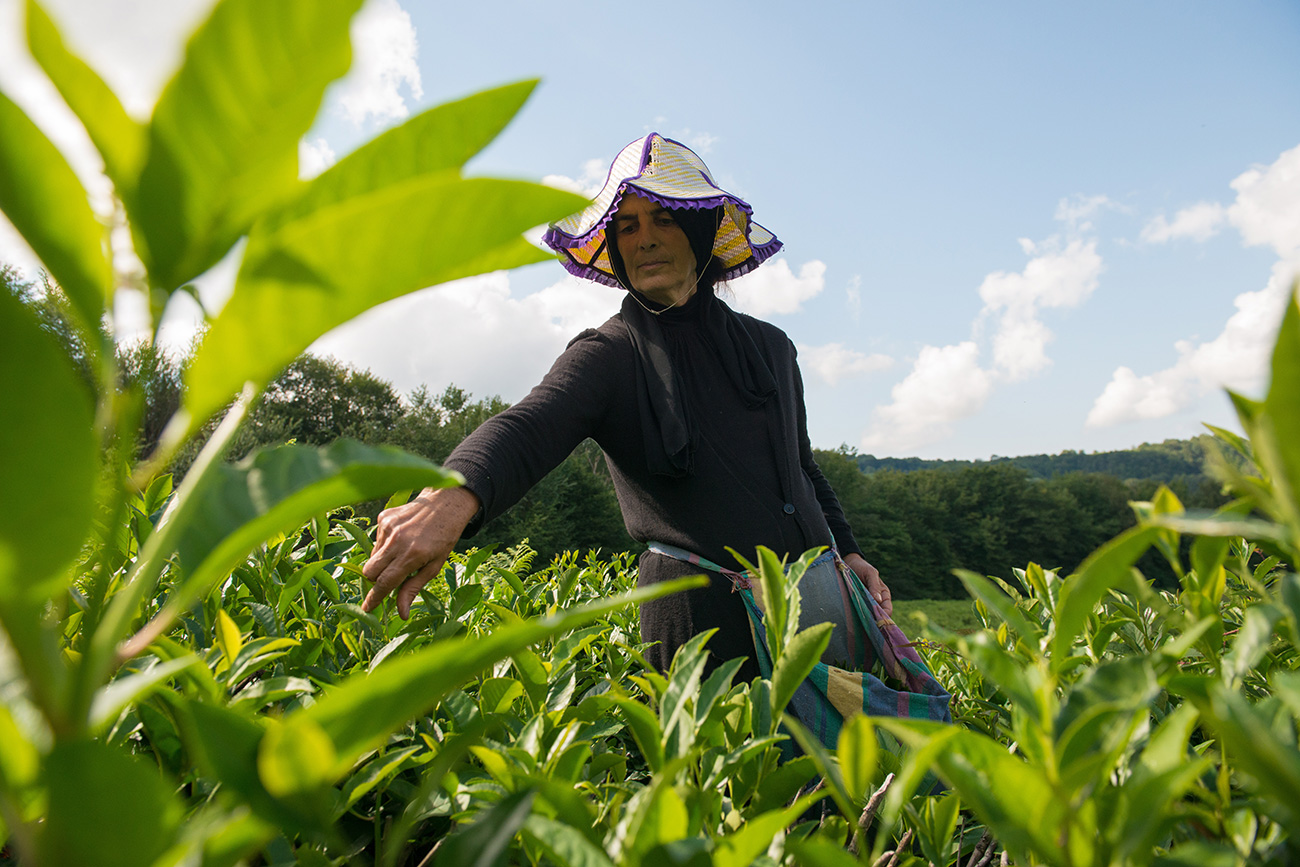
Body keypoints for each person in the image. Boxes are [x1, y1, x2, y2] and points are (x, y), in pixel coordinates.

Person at [361, 133, 893, 682]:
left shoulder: (771, 348)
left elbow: (802, 468)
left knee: (840, 763)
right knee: (720, 766)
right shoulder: (610, 354)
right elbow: (530, 425)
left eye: (664, 219)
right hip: (702, 625)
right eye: (628, 225)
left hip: (817, 604)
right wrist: (450, 497)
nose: (645, 240)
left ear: (700, 231)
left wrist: (848, 553)